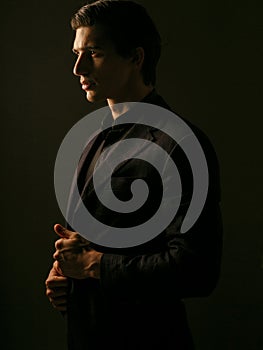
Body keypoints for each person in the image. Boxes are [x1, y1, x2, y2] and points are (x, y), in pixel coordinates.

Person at [45, 1, 223, 349]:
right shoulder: (92, 139)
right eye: (77, 52)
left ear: (135, 58)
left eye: (93, 52)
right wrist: (65, 272)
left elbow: (197, 269)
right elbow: (94, 243)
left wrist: (95, 265)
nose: (77, 67)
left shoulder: (181, 143)